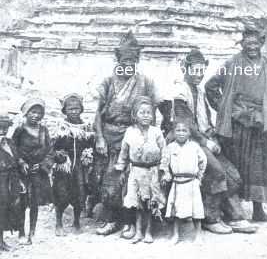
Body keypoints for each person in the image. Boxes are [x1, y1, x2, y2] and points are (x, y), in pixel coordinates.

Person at [170, 49, 256, 234]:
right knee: (216, 171)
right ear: (186, 69)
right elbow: (184, 123)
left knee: (232, 172)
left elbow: (206, 119)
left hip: (202, 138)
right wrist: (205, 142)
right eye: (195, 70)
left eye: (201, 71)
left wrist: (213, 136)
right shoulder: (180, 92)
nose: (198, 75)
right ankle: (211, 217)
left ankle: (235, 217)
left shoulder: (199, 91)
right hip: (185, 141)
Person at [205, 25, 267, 222]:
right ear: (242, 45)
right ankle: (234, 212)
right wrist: (226, 110)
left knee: (260, 168)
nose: (252, 47)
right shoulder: (233, 63)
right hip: (237, 126)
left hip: (261, 125)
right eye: (248, 43)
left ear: (261, 44)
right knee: (238, 166)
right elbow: (211, 86)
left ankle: (259, 211)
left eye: (255, 43)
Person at [94, 31, 160, 238]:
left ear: (137, 61)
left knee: (135, 181)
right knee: (111, 179)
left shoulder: (146, 82)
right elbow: (97, 112)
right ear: (118, 60)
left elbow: (154, 110)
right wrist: (99, 138)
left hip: (135, 136)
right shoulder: (107, 82)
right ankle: (112, 219)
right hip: (111, 134)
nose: (128, 64)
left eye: (132, 61)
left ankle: (130, 223)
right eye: (124, 60)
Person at [115, 96, 166, 244]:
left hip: (153, 172)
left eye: (149, 113)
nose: (146, 116)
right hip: (136, 172)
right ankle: (138, 231)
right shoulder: (130, 132)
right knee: (137, 203)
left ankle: (149, 231)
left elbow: (164, 152)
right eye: (142, 112)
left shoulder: (156, 132)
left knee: (151, 203)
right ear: (135, 115)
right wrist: (121, 170)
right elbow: (123, 153)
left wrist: (163, 170)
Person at [10, 98, 54, 244]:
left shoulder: (44, 130)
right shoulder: (20, 129)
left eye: (39, 113)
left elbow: (50, 151)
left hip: (37, 171)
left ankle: (32, 232)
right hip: (21, 171)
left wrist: (42, 164)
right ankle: (21, 232)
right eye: (33, 112)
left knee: (35, 202)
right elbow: (12, 148)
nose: (36, 115)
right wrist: (20, 162)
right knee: (21, 202)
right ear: (26, 113)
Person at [51, 94, 95, 236]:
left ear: (81, 109)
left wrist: (87, 155)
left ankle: (76, 222)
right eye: (70, 109)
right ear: (65, 110)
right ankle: (59, 224)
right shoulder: (61, 126)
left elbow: (90, 145)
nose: (74, 111)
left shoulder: (86, 127)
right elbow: (53, 146)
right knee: (61, 193)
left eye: (77, 108)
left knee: (79, 193)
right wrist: (59, 155)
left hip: (79, 168)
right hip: (64, 166)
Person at [160, 113, 207, 244]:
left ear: (189, 133)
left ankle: (198, 234)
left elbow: (203, 161)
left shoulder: (194, 147)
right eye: (178, 130)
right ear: (173, 132)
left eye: (184, 130)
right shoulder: (170, 147)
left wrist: (199, 177)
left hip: (192, 183)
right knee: (176, 210)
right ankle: (175, 235)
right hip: (177, 183)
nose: (181, 133)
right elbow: (164, 163)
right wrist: (167, 173)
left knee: (196, 210)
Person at [0, 116, 25, 251]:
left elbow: (15, 160)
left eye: (5, 127)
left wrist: (19, 181)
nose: (2, 130)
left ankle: (1, 241)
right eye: (0, 127)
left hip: (10, 180)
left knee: (5, 209)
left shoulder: (9, 142)